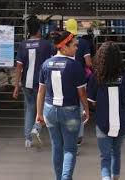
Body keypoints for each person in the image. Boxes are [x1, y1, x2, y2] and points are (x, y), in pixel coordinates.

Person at [36, 30, 90, 180]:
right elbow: (82, 93)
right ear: (64, 47)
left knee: (56, 146)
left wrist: (39, 113)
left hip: (50, 112)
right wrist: (86, 109)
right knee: (70, 149)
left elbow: (41, 91)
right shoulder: (75, 66)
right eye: (74, 45)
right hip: (70, 112)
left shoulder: (46, 64)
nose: (77, 48)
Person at [87, 42, 125, 180]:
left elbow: (91, 101)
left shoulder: (95, 77)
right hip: (121, 122)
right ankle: (115, 177)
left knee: (105, 157)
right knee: (116, 153)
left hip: (102, 122)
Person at [14, 15, 55, 148]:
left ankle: (28, 139)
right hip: (41, 83)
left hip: (26, 83)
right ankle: (36, 129)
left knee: (30, 108)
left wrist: (16, 86)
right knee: (41, 108)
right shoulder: (46, 45)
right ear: (39, 30)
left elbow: (19, 67)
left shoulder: (22, 45)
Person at [65, 18, 93, 146]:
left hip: (65, 78)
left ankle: (68, 135)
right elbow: (88, 63)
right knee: (81, 107)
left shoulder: (63, 43)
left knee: (67, 106)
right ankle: (79, 136)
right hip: (80, 79)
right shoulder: (84, 43)